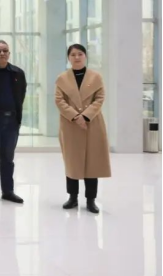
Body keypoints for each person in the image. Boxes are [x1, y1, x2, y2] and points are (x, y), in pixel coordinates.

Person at [54, 44, 111, 214]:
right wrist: (75, 116)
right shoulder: (62, 78)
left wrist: (85, 116)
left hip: (92, 123)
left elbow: (100, 98)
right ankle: (72, 198)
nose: (77, 57)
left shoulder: (96, 77)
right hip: (70, 124)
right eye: (73, 54)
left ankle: (91, 200)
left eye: (80, 54)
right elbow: (59, 100)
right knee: (72, 162)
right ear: (69, 58)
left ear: (85, 56)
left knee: (92, 163)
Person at [0, 40, 26, 205]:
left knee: (8, 158)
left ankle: (8, 191)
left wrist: (17, 118)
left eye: (5, 51)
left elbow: (21, 95)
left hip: (11, 122)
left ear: (9, 54)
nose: (2, 53)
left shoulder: (17, 73)